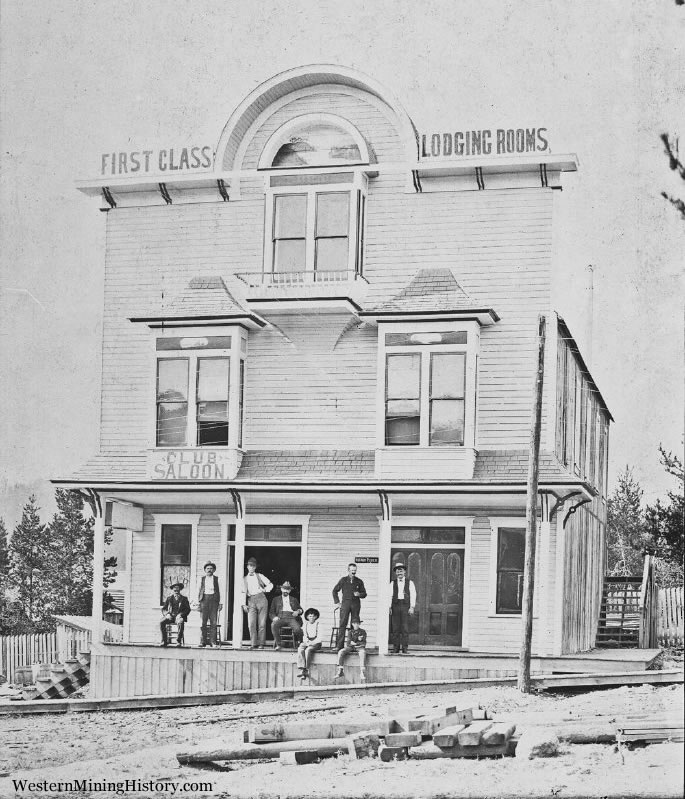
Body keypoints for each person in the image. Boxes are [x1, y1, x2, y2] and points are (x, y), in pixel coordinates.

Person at [332, 563, 367, 651]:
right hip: (345, 604)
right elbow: (334, 591)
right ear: (348, 570)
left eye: (355, 571)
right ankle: (339, 646)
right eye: (352, 571)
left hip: (356, 604)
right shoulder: (343, 580)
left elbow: (364, 594)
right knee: (342, 624)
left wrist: (359, 594)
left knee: (354, 625)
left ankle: (352, 646)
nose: (353, 572)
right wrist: (337, 602)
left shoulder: (359, 581)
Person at [240, 557, 273, 649]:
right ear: (247, 567)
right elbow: (242, 592)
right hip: (250, 600)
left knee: (262, 623)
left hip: (261, 599)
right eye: (250, 565)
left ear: (255, 567)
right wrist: (243, 604)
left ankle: (261, 644)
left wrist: (265, 589)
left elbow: (270, 584)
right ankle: (253, 643)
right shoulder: (244, 578)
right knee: (251, 623)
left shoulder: (260, 576)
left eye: (253, 566)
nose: (251, 567)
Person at [389, 562, 416, 653]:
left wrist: (412, 607)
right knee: (395, 628)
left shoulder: (410, 582)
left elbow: (413, 595)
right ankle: (396, 648)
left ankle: (405, 649)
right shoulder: (392, 583)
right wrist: (389, 607)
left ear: (404, 572)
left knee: (405, 628)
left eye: (401, 571)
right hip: (395, 606)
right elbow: (390, 595)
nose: (399, 573)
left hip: (405, 606)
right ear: (396, 573)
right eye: (398, 571)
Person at [269, 581, 303, 650]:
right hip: (280, 617)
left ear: (290, 591)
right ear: (281, 589)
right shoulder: (276, 599)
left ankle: (301, 642)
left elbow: (301, 610)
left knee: (297, 629)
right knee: (273, 625)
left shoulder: (294, 599)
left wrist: (297, 611)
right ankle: (279, 645)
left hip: (291, 617)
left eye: (287, 589)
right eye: (284, 589)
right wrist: (274, 617)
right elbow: (271, 612)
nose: (285, 591)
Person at [197, 561, 222, 647]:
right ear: (205, 570)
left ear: (214, 570)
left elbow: (221, 591)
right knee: (203, 622)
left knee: (213, 622)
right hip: (204, 600)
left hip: (214, 601)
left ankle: (213, 642)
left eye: (211, 568)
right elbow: (198, 590)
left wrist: (220, 603)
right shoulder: (202, 579)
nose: (209, 570)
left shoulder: (217, 579)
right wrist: (198, 603)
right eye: (207, 568)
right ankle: (202, 641)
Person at [160, 582, 191, 647]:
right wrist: (167, 614)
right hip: (170, 617)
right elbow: (164, 609)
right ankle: (164, 641)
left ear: (180, 590)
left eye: (178, 590)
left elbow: (188, 609)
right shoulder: (169, 598)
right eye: (175, 590)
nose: (176, 591)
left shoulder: (184, 599)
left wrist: (181, 614)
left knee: (180, 621)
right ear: (173, 590)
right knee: (161, 622)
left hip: (179, 617)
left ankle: (178, 641)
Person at [297, 608, 322, 679]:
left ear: (316, 617)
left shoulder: (319, 625)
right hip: (307, 642)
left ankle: (306, 669)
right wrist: (307, 642)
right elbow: (304, 636)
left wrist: (312, 642)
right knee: (300, 648)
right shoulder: (305, 625)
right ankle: (302, 668)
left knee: (308, 650)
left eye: (313, 616)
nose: (311, 618)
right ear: (307, 617)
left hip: (316, 643)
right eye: (310, 616)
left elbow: (320, 638)